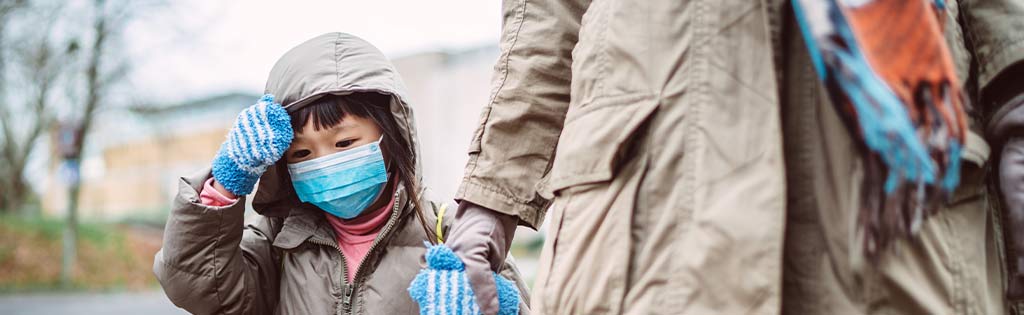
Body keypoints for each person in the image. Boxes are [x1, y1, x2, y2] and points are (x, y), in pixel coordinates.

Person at [445, 0, 1023, 314]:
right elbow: (547, 20)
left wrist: (1018, 102)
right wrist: (488, 202)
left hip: (892, 185)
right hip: (643, 192)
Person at [152, 33, 529, 315]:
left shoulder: (452, 236)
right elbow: (197, 284)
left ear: (392, 136)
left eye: (344, 143)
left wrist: (496, 307)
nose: (324, 162)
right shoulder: (279, 241)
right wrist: (226, 182)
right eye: (301, 153)